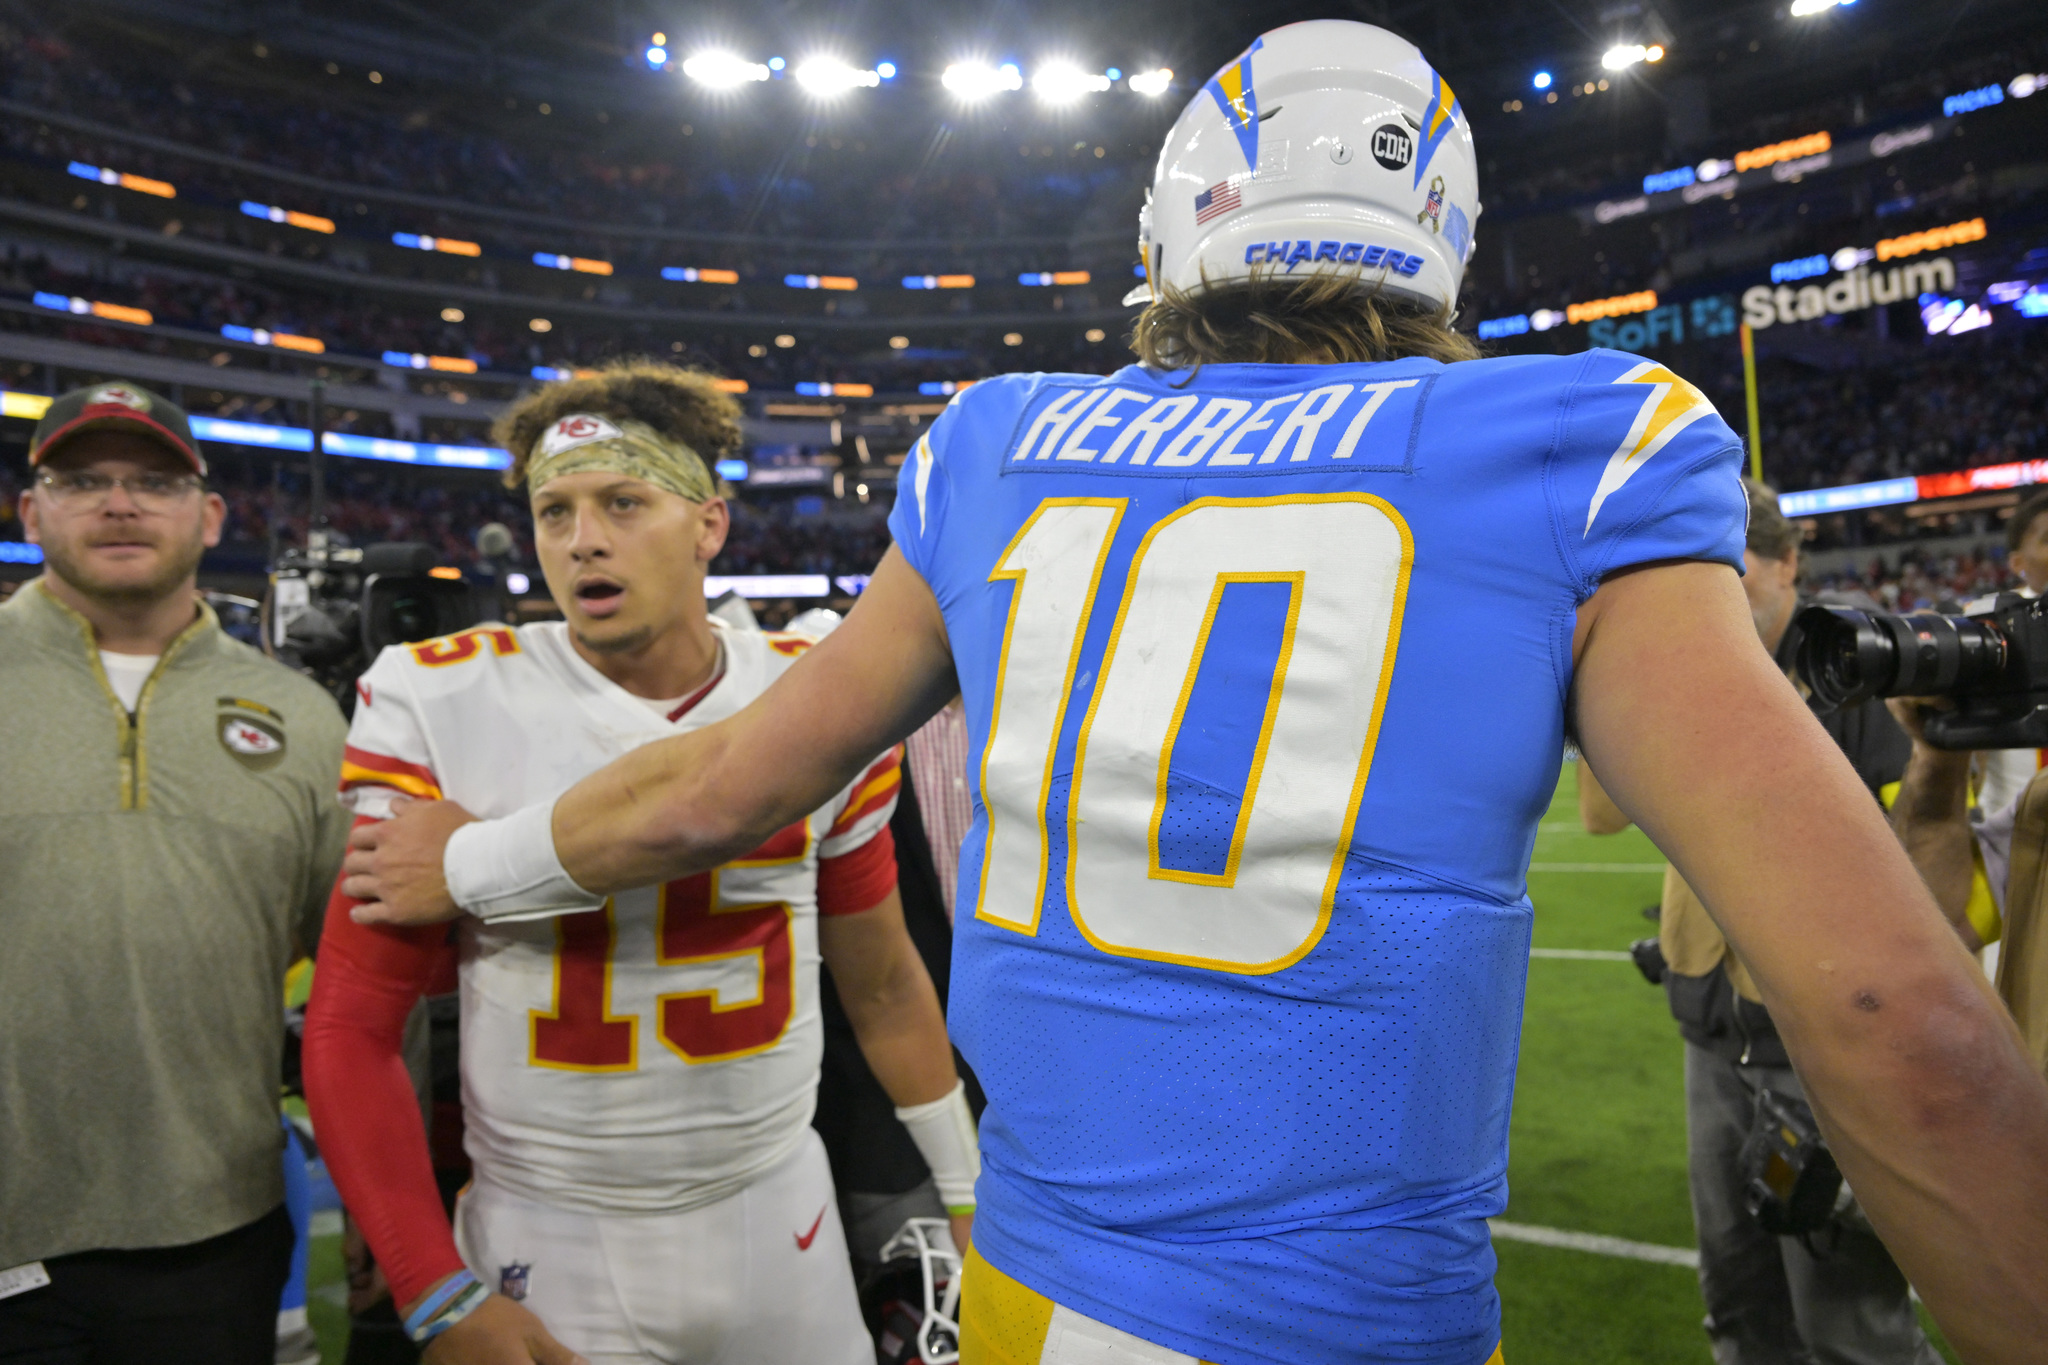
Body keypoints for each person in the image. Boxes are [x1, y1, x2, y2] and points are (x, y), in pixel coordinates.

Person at [342, 23, 2048, 1365]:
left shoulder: (998, 444)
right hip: (1339, 1328)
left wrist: (469, 864)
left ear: (1174, 228)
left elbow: (725, 788)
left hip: (1027, 1301)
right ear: (1439, 237)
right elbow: (1897, 1021)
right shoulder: (1575, 443)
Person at [301, 361, 977, 1363]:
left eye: (622, 502)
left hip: (779, 1211)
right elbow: (353, 1027)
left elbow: (881, 986)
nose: (582, 540)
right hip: (550, 1229)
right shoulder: (439, 698)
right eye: (554, 510)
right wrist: (433, 1292)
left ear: (709, 524)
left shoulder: (808, 691)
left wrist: (963, 1192)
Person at [0, 381, 351, 1363]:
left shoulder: (303, 719)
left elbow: (363, 990)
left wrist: (377, 1193)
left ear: (208, 515)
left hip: (214, 1236)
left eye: (154, 480)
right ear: (32, 512)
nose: (119, 503)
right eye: (83, 479)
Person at [1577, 480, 1941, 1365]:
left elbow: (1913, 860)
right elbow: (1598, 813)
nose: (1714, 596)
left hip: (1820, 1048)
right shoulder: (1683, 665)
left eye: (1732, 573)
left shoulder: (1846, 665)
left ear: (1787, 564)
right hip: (1714, 1036)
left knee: (1850, 1328)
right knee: (1739, 1308)